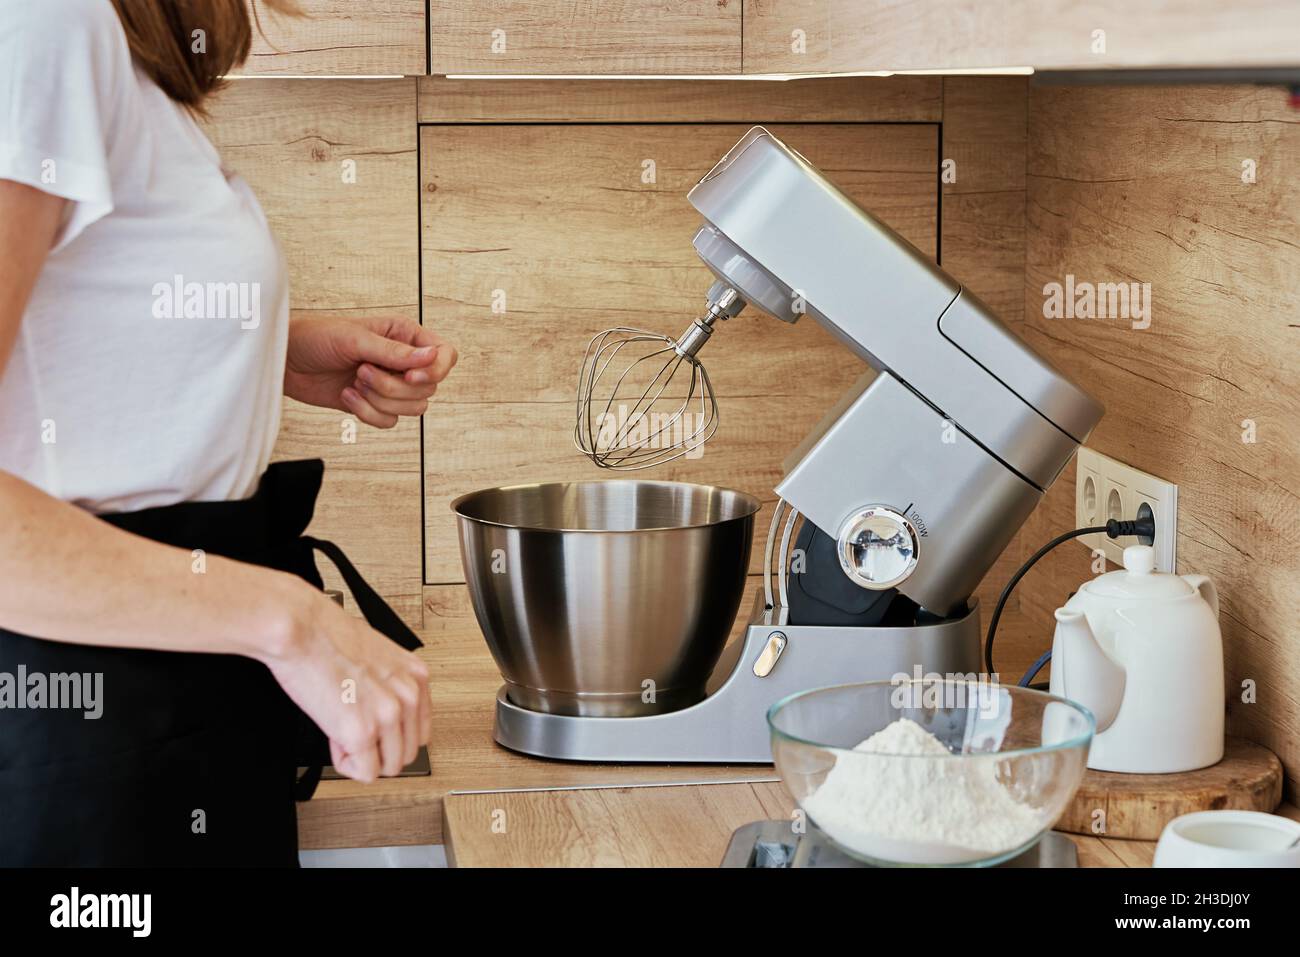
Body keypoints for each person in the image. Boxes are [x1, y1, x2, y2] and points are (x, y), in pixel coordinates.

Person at [0, 0, 456, 865]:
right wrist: (293, 620)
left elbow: (67, 317)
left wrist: (260, 342)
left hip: (176, 700)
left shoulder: (104, 41)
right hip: (87, 726)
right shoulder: (44, 22)